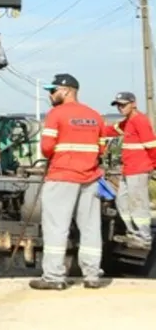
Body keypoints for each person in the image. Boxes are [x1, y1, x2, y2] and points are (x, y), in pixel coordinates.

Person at [32, 73, 107, 290]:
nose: (50, 94)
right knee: (91, 227)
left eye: (53, 90)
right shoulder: (95, 116)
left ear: (66, 91)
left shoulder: (56, 114)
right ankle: (92, 275)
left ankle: (54, 277)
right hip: (90, 177)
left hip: (62, 176)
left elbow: (46, 148)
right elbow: (101, 148)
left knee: (57, 227)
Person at [102, 91, 156, 250]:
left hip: (138, 170)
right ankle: (133, 232)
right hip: (129, 170)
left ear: (133, 104)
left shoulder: (140, 121)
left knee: (138, 204)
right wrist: (94, 128)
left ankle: (144, 237)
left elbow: (151, 146)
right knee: (122, 201)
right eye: (118, 105)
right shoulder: (128, 122)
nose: (120, 108)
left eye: (123, 105)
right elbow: (111, 130)